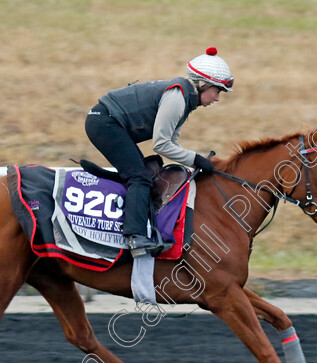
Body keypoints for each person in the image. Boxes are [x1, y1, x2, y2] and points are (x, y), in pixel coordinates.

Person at [85, 47, 233, 257]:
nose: (217, 98)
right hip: (104, 123)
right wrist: (196, 159)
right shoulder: (177, 97)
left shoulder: (186, 99)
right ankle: (134, 237)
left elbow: (171, 141)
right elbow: (161, 144)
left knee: (143, 173)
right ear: (202, 84)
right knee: (140, 177)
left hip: (108, 121)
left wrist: (194, 163)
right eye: (217, 91)